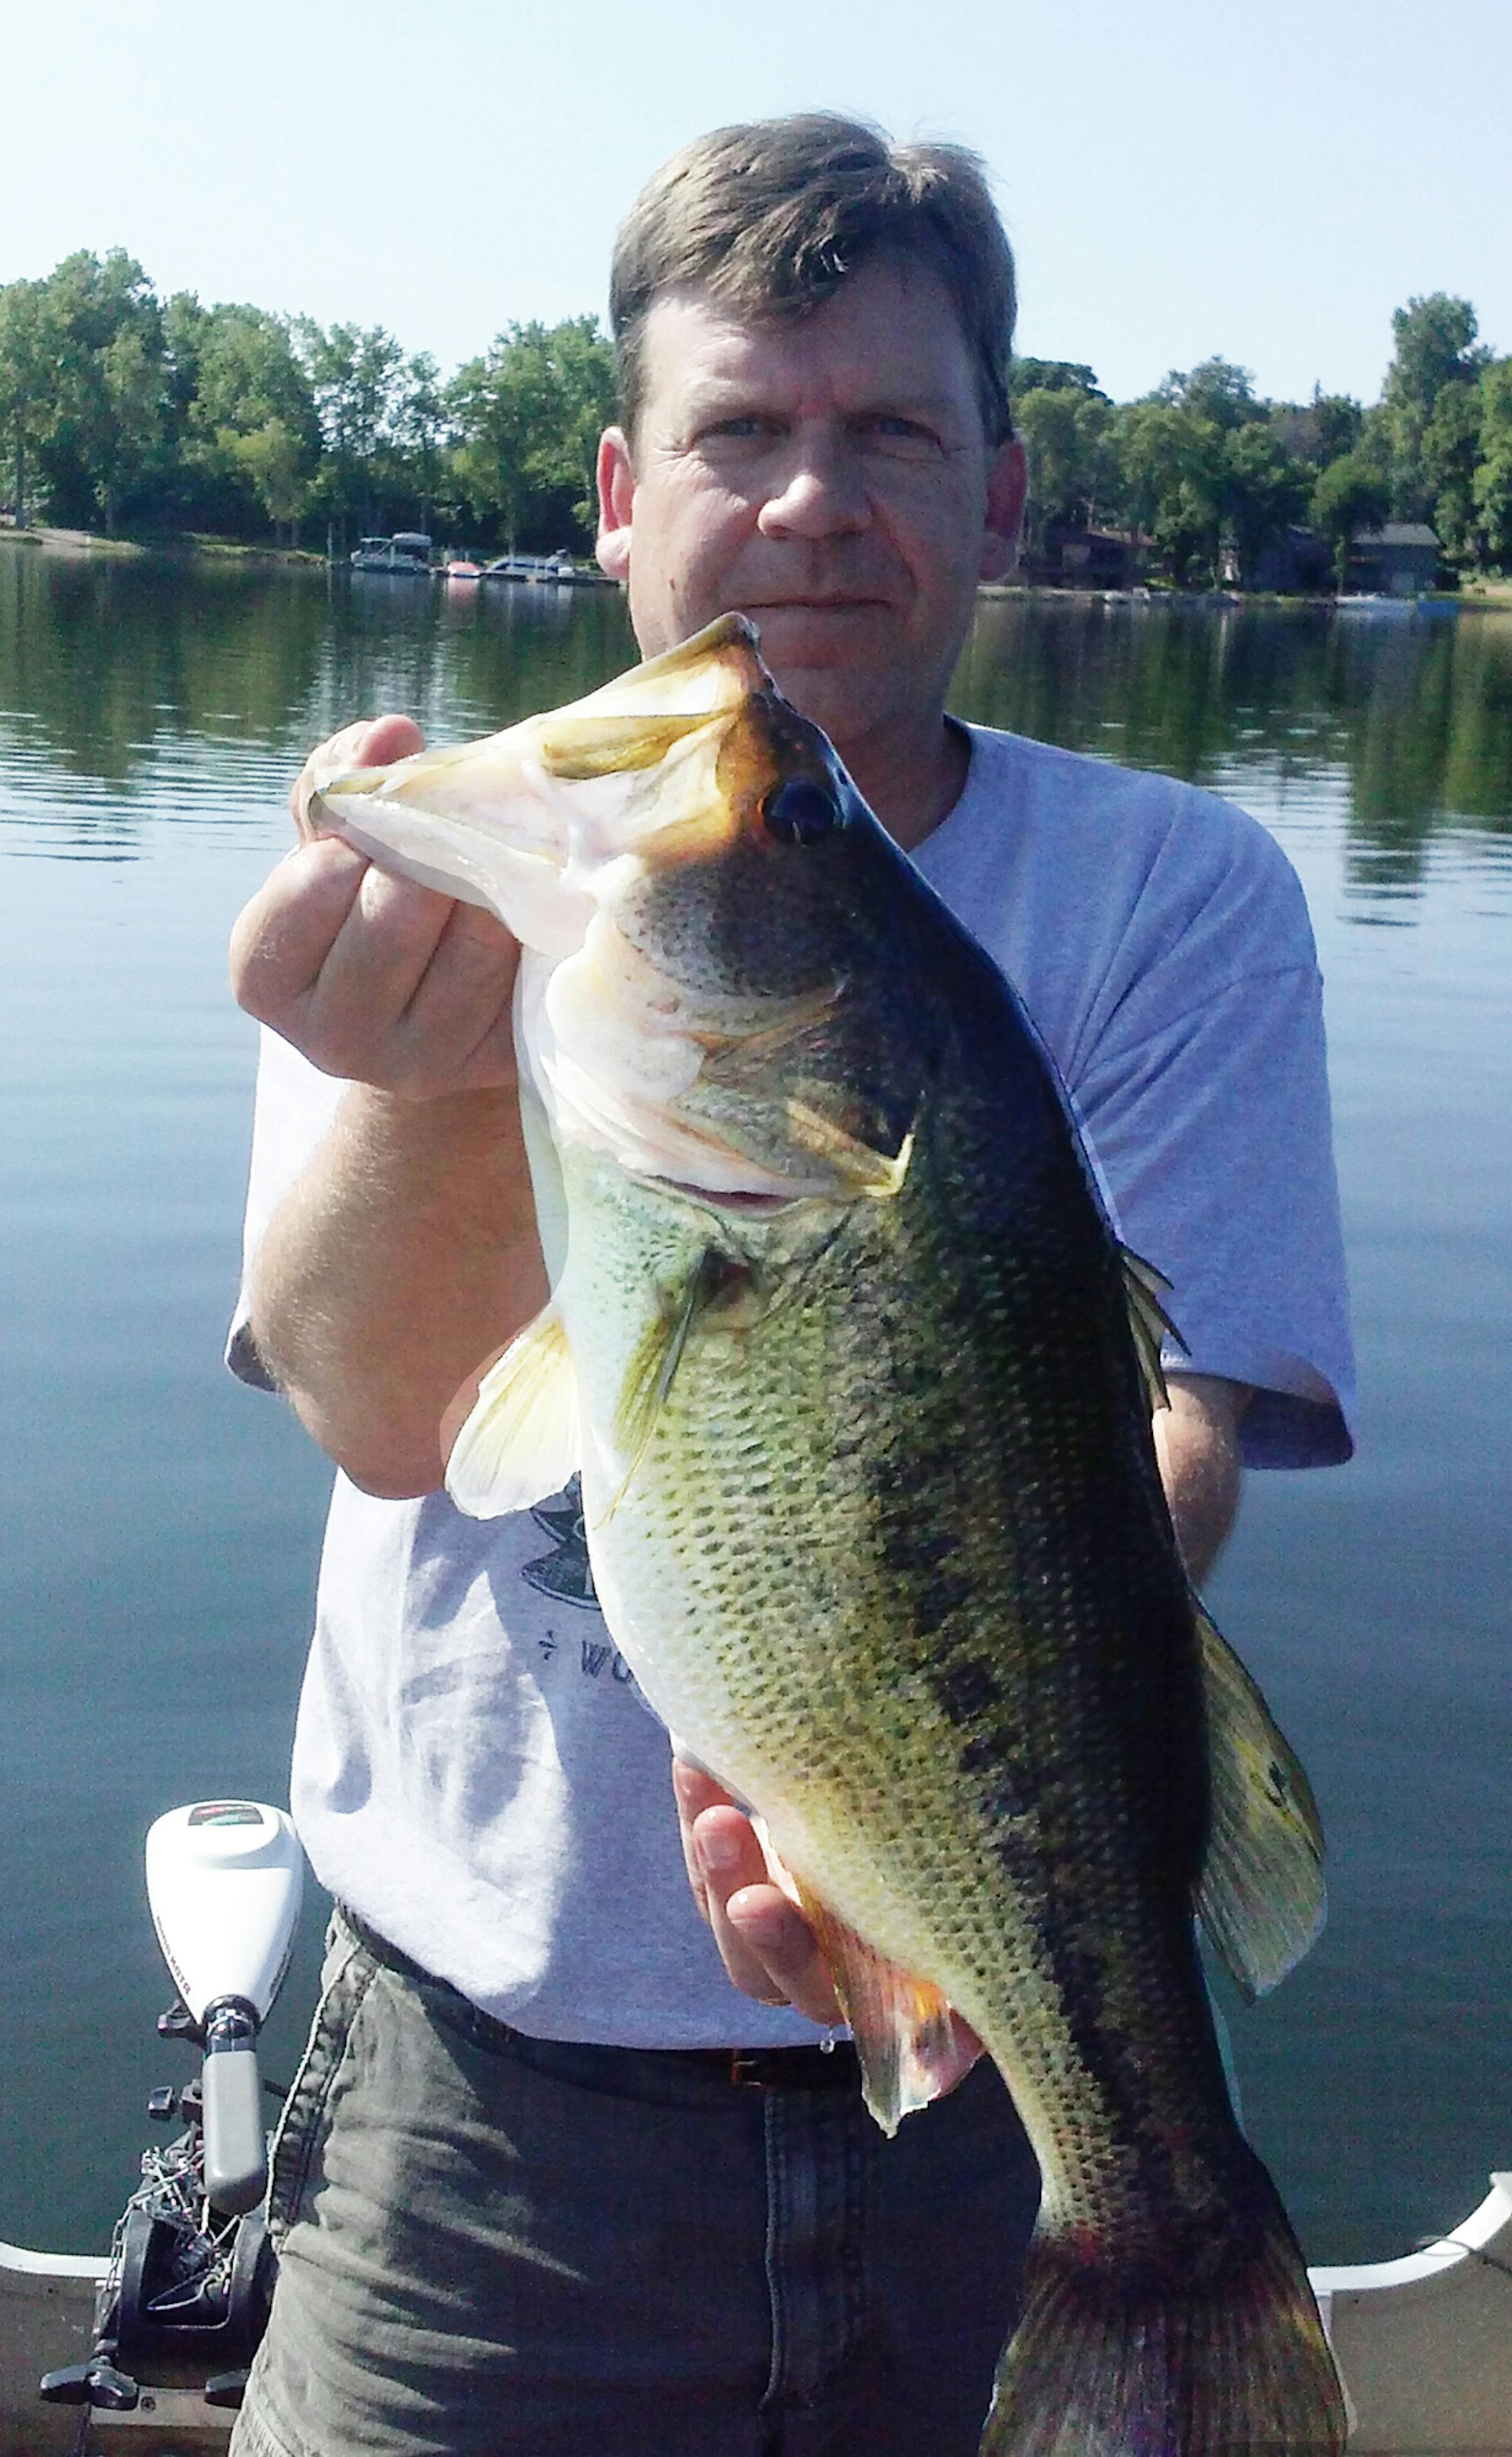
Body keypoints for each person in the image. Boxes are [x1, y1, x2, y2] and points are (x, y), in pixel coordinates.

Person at [225, 116, 1354, 2457]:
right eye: (740, 431)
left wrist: (895, 1820)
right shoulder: (478, 865)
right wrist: (431, 1087)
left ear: (1005, 501)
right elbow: (376, 1407)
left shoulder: (1182, 894)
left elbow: (1176, 1431)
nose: (814, 502)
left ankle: (1165, 2243)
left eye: (891, 434)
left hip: (980, 2135)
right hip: (483, 2123)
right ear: (621, 495)